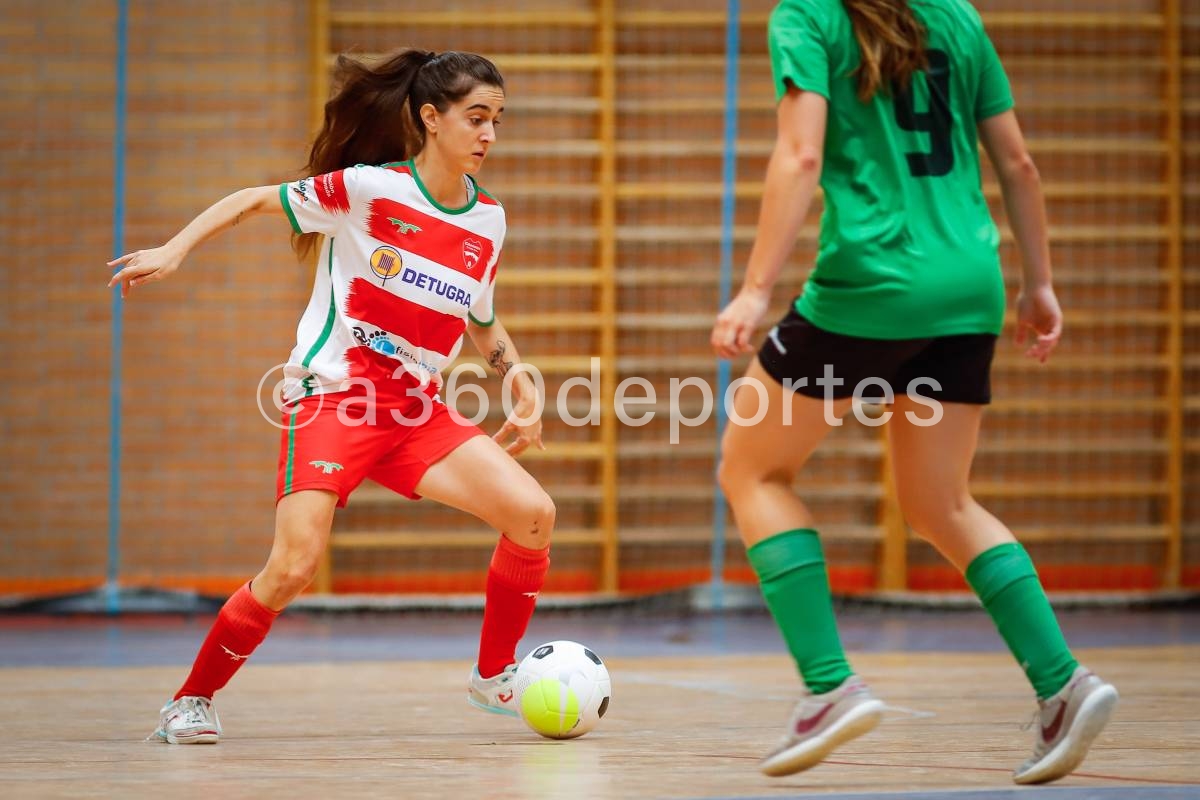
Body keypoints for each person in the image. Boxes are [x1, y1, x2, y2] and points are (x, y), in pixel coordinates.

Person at [710, 0, 1118, 784]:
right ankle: (1064, 683)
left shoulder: (808, 16)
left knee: (751, 469)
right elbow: (1019, 164)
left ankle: (830, 686)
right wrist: (1040, 284)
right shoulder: (956, 16)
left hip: (873, 286)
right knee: (942, 503)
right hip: (971, 287)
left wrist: (755, 291)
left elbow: (799, 158)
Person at [109, 50, 554, 744]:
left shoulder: (488, 220)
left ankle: (493, 676)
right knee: (292, 566)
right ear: (431, 120)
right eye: (476, 118)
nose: (489, 134)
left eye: (497, 120)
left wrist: (515, 374)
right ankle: (190, 701)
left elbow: (481, 317)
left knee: (532, 513)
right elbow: (254, 199)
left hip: (415, 414)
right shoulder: (371, 190)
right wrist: (174, 249)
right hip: (336, 400)